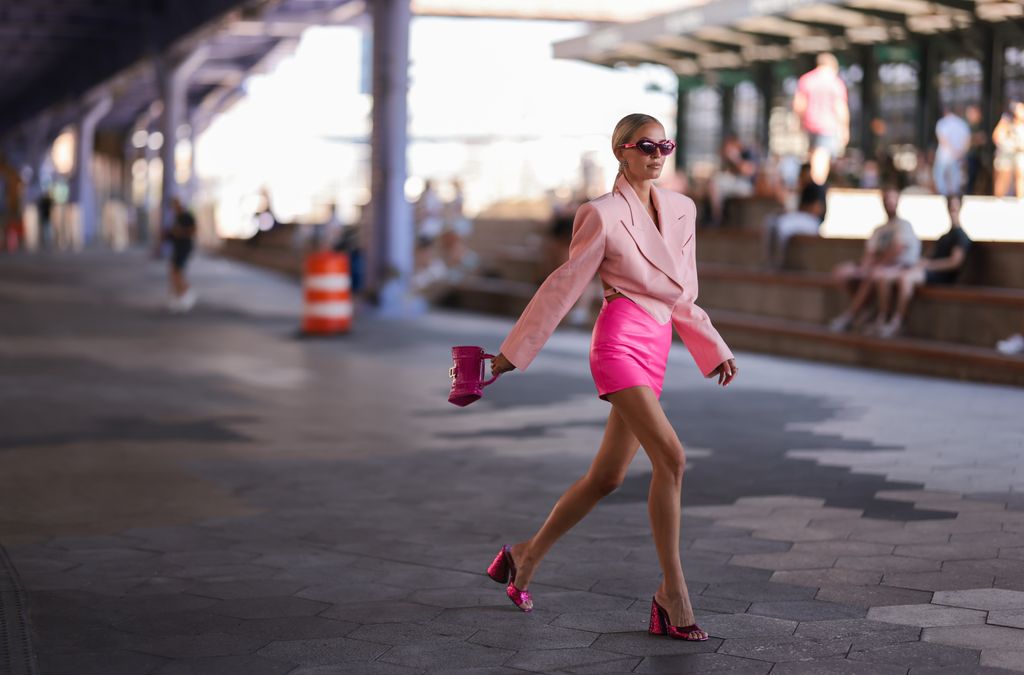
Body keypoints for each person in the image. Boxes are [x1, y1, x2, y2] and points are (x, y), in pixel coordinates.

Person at [485, 114, 738, 642]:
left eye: (664, 144)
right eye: (646, 146)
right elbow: (564, 285)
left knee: (607, 478)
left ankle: (524, 555)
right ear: (621, 152)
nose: (657, 154)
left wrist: (712, 347)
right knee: (671, 456)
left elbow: (682, 294)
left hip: (657, 349)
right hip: (618, 344)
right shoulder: (600, 214)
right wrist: (511, 355)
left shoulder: (683, 210)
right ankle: (673, 595)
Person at [872, 195, 972, 338]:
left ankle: (898, 322)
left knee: (906, 278)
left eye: (955, 208)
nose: (952, 211)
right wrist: (922, 263)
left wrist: (929, 265)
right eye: (950, 207)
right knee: (885, 277)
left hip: (941, 275)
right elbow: (931, 256)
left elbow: (954, 263)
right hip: (928, 270)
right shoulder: (945, 236)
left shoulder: (961, 236)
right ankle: (882, 317)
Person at [829, 187, 921, 332]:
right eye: (886, 200)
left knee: (876, 274)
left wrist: (875, 264)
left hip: (898, 267)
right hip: (878, 265)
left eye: (892, 200)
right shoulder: (879, 229)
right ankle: (865, 308)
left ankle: (852, 315)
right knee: (842, 272)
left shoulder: (904, 225)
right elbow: (869, 252)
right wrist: (864, 266)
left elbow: (897, 250)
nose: (889, 203)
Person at [793, 53, 849, 186]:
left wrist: (799, 123)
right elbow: (840, 107)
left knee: (813, 156)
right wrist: (844, 128)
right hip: (827, 126)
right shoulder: (835, 82)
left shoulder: (806, 80)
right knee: (821, 157)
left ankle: (810, 187)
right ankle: (816, 188)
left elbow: (799, 104)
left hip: (809, 124)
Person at [764, 180, 825, 268]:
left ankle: (777, 262)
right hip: (776, 261)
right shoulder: (793, 217)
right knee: (772, 221)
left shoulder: (811, 221)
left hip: (810, 223)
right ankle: (774, 262)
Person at [708, 133, 756, 226]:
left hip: (746, 186)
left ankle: (717, 218)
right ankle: (717, 217)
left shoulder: (747, 153)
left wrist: (735, 158)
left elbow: (748, 171)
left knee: (716, 183)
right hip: (731, 186)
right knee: (714, 183)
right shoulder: (726, 158)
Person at [166, 197, 197, 312]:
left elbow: (193, 230)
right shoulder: (177, 217)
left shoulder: (187, 216)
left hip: (184, 247)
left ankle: (186, 293)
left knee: (177, 272)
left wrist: (180, 233)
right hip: (178, 247)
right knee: (174, 271)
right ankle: (179, 295)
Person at [933, 107, 971, 197]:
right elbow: (967, 140)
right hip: (958, 156)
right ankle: (953, 196)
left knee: (940, 177)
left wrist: (952, 152)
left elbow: (943, 139)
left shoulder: (942, 123)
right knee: (955, 178)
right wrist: (960, 153)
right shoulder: (962, 124)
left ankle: (943, 195)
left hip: (945, 156)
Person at [993, 101, 1024, 198]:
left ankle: (1021, 199)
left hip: (1020, 153)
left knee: (1021, 175)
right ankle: (999, 198)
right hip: (1007, 153)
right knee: (1004, 176)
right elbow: (997, 136)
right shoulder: (1007, 121)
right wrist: (1007, 145)